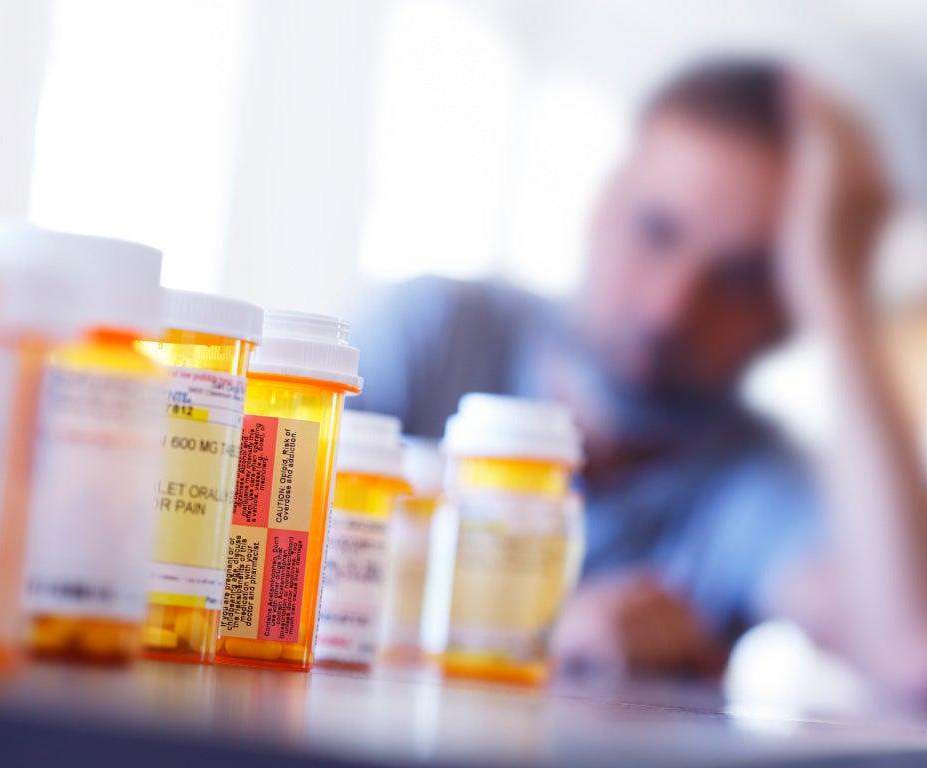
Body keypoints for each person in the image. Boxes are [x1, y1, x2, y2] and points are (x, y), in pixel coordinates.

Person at [350, 58, 927, 694]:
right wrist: (537, 631)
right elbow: (260, 548)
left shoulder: (753, 483)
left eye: (740, 277)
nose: (670, 309)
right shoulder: (438, 333)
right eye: (657, 231)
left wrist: (838, 291)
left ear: (787, 315)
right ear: (601, 206)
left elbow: (911, 652)